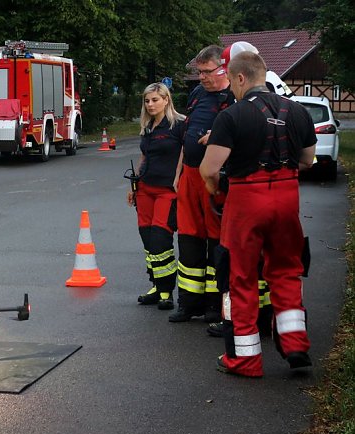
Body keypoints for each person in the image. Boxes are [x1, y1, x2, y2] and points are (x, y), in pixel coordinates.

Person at [199, 50, 316, 377]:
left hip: (246, 199)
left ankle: (246, 360)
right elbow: (308, 160)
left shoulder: (232, 116)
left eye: (232, 83)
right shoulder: (298, 111)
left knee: (241, 279)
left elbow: (209, 169)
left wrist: (213, 189)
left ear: (239, 78)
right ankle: (295, 345)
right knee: (286, 270)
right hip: (287, 197)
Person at [169, 45, 235, 324]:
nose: (202, 77)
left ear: (224, 69)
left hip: (214, 177)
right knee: (188, 237)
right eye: (199, 72)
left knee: (215, 240)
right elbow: (187, 136)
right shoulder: (197, 94)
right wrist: (179, 171)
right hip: (189, 176)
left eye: (207, 72)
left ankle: (213, 303)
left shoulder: (233, 97)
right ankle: (188, 302)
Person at [129, 83, 184, 310]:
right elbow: (144, 156)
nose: (150, 104)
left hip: (166, 190)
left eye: (155, 100)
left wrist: (178, 179)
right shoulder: (148, 126)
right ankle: (155, 284)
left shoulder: (179, 125)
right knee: (147, 238)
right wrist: (134, 185)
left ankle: (166, 291)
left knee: (161, 239)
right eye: (147, 101)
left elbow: (185, 152)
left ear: (166, 100)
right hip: (145, 189)